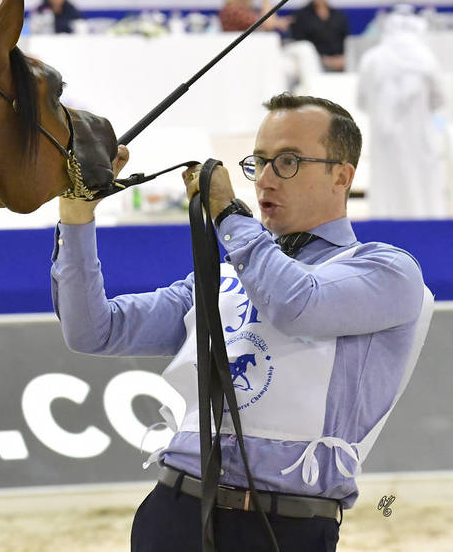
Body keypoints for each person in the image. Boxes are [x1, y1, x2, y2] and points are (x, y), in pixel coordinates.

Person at [53, 94, 431, 551]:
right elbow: (95, 330)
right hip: (176, 509)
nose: (266, 179)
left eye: (288, 161)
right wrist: (77, 215)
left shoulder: (385, 270)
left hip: (283, 525)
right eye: (260, 162)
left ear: (342, 175)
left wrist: (229, 216)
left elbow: (296, 306)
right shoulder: (226, 273)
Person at [357, 7, 447, 218]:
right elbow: (440, 98)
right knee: (421, 188)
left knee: (388, 187)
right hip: (419, 138)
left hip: (385, 141)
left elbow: (361, 101)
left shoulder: (372, 59)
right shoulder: (426, 57)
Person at [289, 0, 349, 71]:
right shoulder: (300, 16)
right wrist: (325, 61)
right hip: (313, 67)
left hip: (341, 67)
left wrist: (343, 59)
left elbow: (347, 43)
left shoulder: (339, 16)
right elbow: (299, 47)